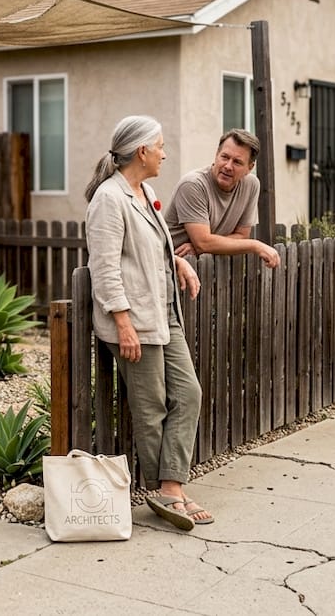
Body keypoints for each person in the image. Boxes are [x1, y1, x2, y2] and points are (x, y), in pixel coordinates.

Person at [83, 115, 212, 531]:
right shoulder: (109, 198)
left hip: (163, 312)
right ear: (141, 151)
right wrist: (122, 323)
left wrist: (177, 263)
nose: (164, 153)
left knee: (188, 393)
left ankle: (170, 488)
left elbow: (150, 249)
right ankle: (171, 491)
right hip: (134, 319)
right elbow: (103, 267)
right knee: (150, 406)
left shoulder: (145, 192)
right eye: (159, 145)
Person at [165, 128, 280, 268]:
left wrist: (203, 246)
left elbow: (241, 235)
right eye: (224, 157)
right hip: (174, 268)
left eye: (237, 162)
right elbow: (203, 243)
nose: (228, 166)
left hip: (213, 270)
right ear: (216, 155)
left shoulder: (251, 185)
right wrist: (255, 245)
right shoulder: (193, 185)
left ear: (249, 168)